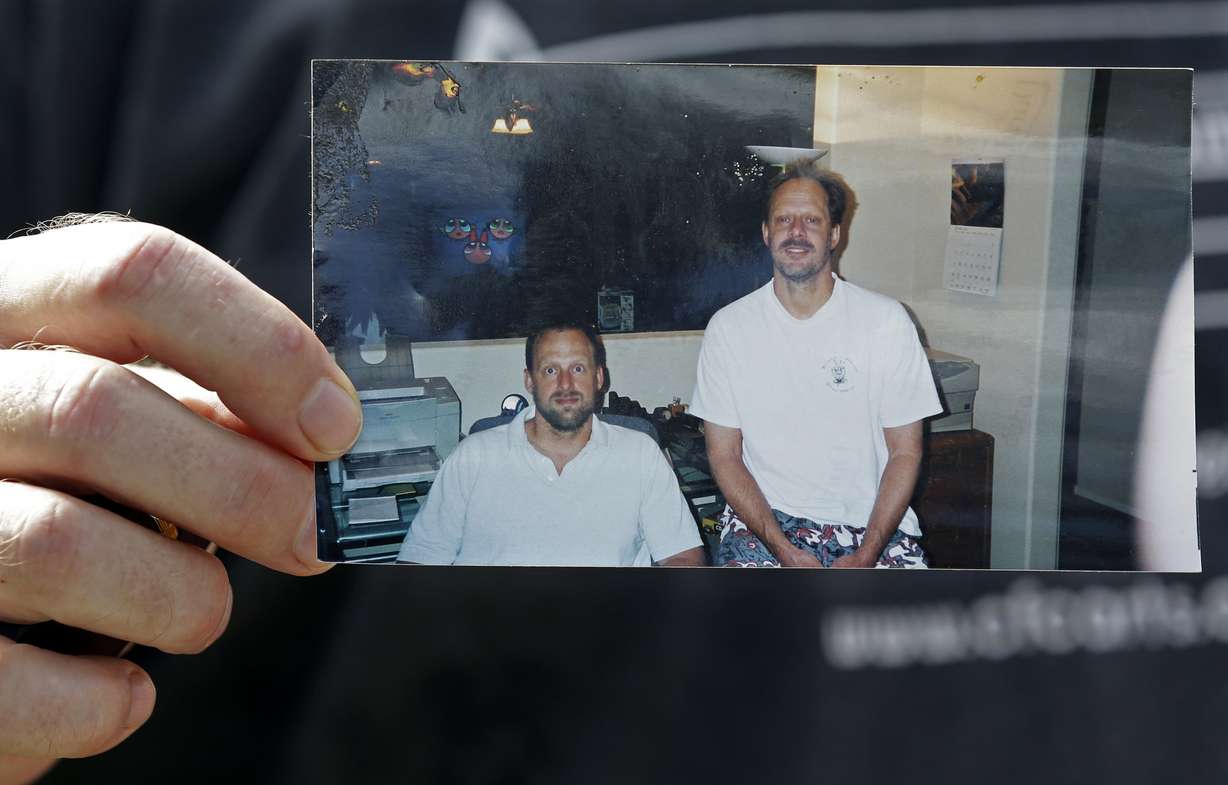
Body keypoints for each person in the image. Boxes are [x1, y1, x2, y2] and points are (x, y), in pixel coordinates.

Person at [690, 164, 943, 568]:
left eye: (812, 220)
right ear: (766, 232)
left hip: (872, 527)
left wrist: (867, 554)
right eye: (783, 219)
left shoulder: (886, 322)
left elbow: (905, 452)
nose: (796, 231)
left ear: (835, 235)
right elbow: (724, 455)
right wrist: (783, 549)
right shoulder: (729, 329)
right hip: (764, 525)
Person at [397, 323, 706, 567]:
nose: (565, 384)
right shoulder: (473, 457)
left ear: (599, 378)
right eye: (550, 370)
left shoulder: (640, 455)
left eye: (578, 368)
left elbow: (683, 557)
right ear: (529, 381)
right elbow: (420, 560)